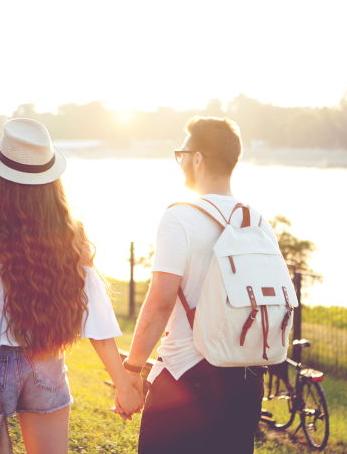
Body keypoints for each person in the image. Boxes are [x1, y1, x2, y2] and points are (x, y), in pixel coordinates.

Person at [0, 118, 144, 453]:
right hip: (47, 362)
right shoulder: (72, 234)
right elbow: (98, 322)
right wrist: (123, 386)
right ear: (50, 179)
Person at [120, 117, 279, 454]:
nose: (180, 164)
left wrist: (132, 368)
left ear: (197, 159)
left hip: (187, 378)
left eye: (181, 155)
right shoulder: (256, 219)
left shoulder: (180, 216)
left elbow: (161, 301)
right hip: (247, 379)